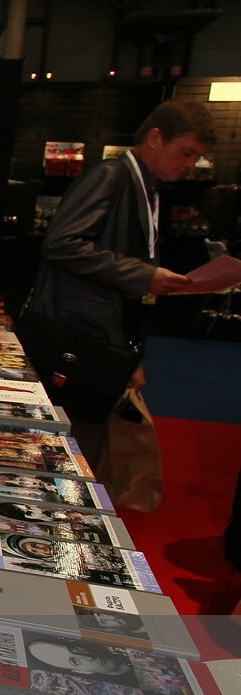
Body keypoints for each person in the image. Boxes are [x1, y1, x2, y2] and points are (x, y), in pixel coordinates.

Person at [28, 99, 215, 466]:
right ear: (156, 137)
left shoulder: (146, 185)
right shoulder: (112, 176)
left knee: (82, 447)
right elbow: (62, 242)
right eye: (186, 153)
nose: (190, 165)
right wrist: (144, 275)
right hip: (79, 336)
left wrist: (133, 355)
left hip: (103, 337)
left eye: (196, 157)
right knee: (68, 448)